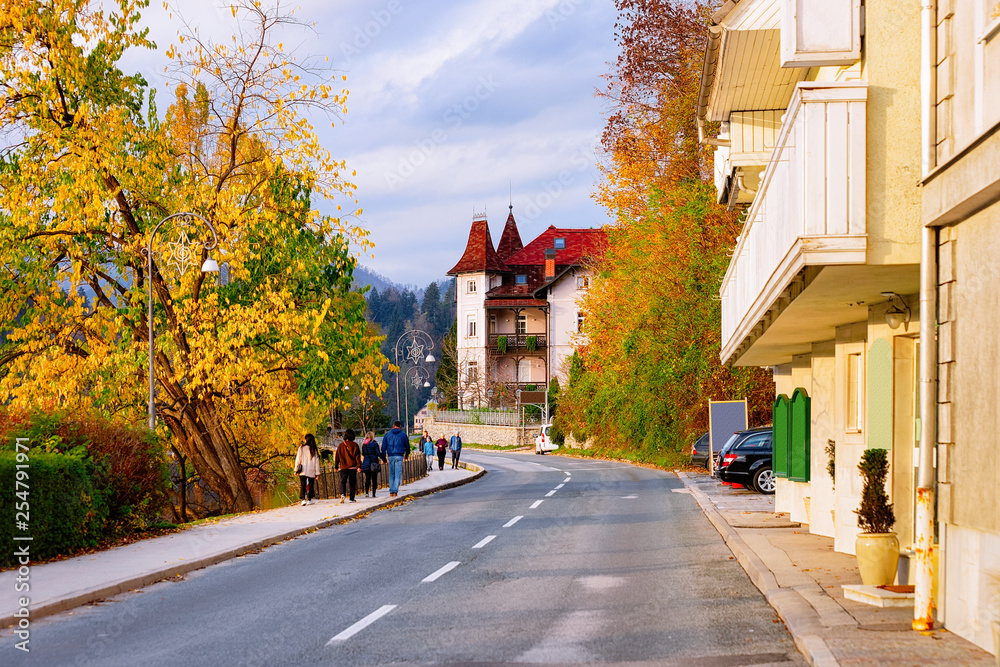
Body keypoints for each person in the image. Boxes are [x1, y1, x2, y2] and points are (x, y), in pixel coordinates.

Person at [381, 421, 410, 497]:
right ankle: (395, 491)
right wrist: (407, 454)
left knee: (392, 474)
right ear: (400, 426)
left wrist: (384, 457)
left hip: (390, 455)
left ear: (393, 426)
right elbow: (407, 445)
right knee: (397, 474)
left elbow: (383, 446)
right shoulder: (403, 435)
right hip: (399, 455)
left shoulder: (387, 434)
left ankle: (391, 491)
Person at [335, 429, 362, 503]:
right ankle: (351, 498)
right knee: (352, 483)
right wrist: (359, 466)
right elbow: (357, 457)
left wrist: (336, 466)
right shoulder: (355, 445)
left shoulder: (341, 445)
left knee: (343, 481)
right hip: (352, 467)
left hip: (343, 467)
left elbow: (337, 456)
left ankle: (342, 494)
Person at [294, 434, 320, 506]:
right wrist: (317, 473)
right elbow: (316, 462)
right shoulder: (314, 449)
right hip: (311, 470)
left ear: (306, 440)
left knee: (303, 484)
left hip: (303, 470)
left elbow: (298, 459)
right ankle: (310, 499)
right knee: (311, 484)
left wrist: (296, 470)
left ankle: (303, 499)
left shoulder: (301, 448)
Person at [360, 431, 383, 497]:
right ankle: (374, 493)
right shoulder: (375, 443)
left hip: (366, 462)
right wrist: (383, 458)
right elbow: (378, 453)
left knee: (367, 479)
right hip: (374, 462)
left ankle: (367, 492)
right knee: (374, 479)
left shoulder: (364, 444)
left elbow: (363, 453)